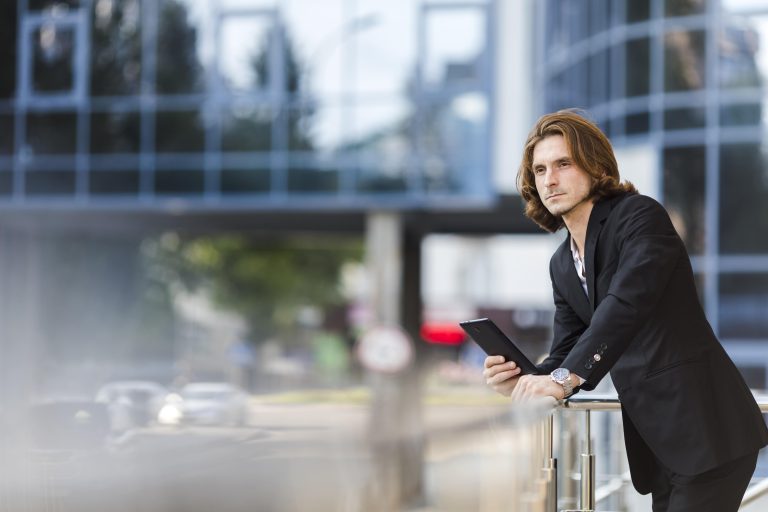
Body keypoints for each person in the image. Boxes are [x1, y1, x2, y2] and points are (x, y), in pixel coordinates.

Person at [483, 110, 768, 511]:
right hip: (661, 446)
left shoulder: (639, 216)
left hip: (709, 431)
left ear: (594, 165)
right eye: (540, 169)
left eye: (563, 164)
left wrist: (562, 380)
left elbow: (626, 304)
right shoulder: (563, 262)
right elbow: (567, 349)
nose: (550, 179)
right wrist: (524, 379)